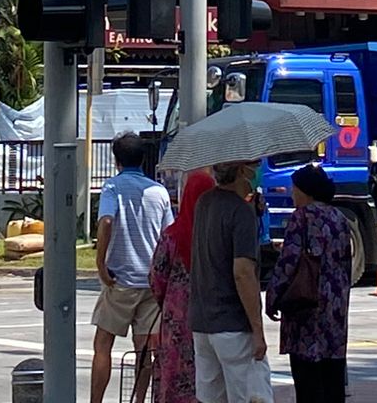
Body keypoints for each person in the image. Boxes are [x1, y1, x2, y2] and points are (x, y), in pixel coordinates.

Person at [92, 132, 173, 403]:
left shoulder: (112, 187)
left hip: (120, 279)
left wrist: (100, 263)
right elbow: (167, 235)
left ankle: (96, 401)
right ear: (143, 158)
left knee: (103, 344)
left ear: (116, 159)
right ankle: (139, 400)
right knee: (144, 349)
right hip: (149, 280)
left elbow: (105, 222)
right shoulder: (159, 192)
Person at [265, 165, 352, 403]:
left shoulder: (301, 217)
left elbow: (289, 262)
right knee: (332, 379)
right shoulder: (340, 218)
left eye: (295, 188)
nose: (293, 194)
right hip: (335, 308)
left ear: (305, 191)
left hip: (306, 306)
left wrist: (272, 297)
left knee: (308, 383)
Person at [189, 160, 272, 403]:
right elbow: (243, 272)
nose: (256, 171)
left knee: (211, 397)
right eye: (253, 165)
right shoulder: (239, 212)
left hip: (203, 321)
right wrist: (257, 329)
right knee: (250, 396)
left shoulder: (204, 203)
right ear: (240, 171)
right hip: (233, 324)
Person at [149, 171, 213, 403]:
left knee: (174, 370)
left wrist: (166, 299)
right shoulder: (215, 234)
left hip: (176, 315)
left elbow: (156, 277)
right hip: (211, 315)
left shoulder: (172, 235)